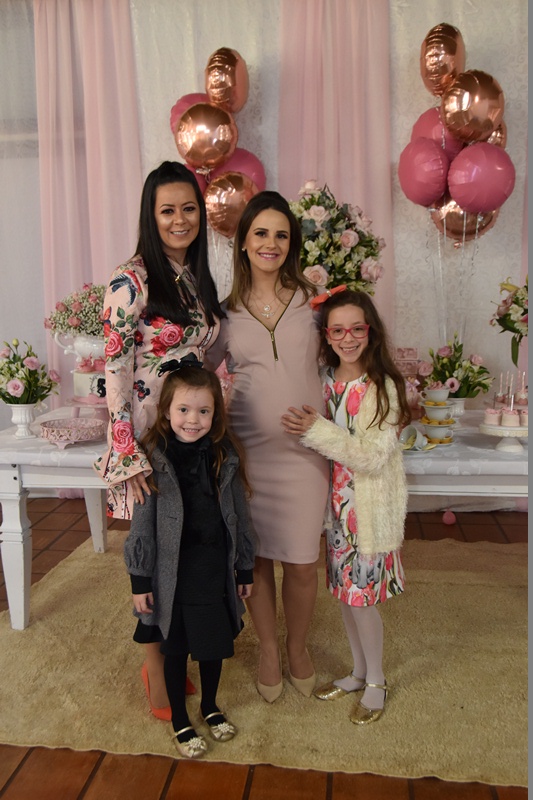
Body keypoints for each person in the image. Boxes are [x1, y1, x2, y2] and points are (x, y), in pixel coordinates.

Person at [94, 161, 225, 719]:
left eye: (188, 208)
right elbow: (115, 370)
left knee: (185, 545)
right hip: (149, 437)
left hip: (188, 430)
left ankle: (174, 653)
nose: (179, 219)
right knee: (151, 549)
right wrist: (128, 453)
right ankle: (154, 665)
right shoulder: (131, 279)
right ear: (151, 215)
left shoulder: (192, 274)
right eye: (167, 210)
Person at [205, 191, 330, 702]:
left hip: (306, 455)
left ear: (292, 243)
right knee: (254, 560)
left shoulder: (314, 303)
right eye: (260, 233)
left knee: (301, 561)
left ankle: (297, 647)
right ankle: (270, 650)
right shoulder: (224, 314)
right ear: (243, 242)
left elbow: (348, 355)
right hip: (249, 456)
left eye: (281, 234)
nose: (270, 243)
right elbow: (200, 376)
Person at [281, 288, 410, 724]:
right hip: (336, 513)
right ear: (326, 335)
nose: (347, 338)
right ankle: (358, 671)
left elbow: (372, 456)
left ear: (370, 331)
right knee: (344, 593)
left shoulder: (382, 387)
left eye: (356, 329)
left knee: (361, 599)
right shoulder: (324, 379)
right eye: (337, 330)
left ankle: (377, 679)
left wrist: (316, 429)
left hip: (367, 511)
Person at [124, 357, 256, 759]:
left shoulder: (224, 454)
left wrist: (244, 567)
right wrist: (140, 580)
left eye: (203, 411)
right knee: (176, 647)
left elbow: (239, 514)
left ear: (215, 414)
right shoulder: (154, 457)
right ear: (167, 410)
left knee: (213, 645)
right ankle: (181, 718)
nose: (193, 420)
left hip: (212, 571)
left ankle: (210, 706)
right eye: (183, 409)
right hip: (173, 577)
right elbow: (141, 524)